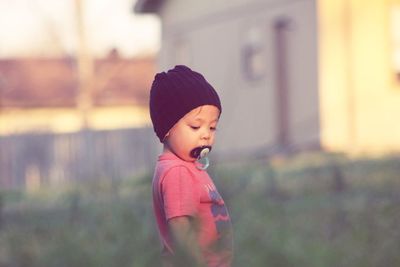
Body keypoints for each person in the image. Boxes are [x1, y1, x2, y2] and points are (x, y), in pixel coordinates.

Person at [149, 65, 233, 267]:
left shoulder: (187, 166)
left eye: (212, 127)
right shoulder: (176, 172)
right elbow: (179, 225)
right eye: (196, 126)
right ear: (167, 127)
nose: (206, 134)